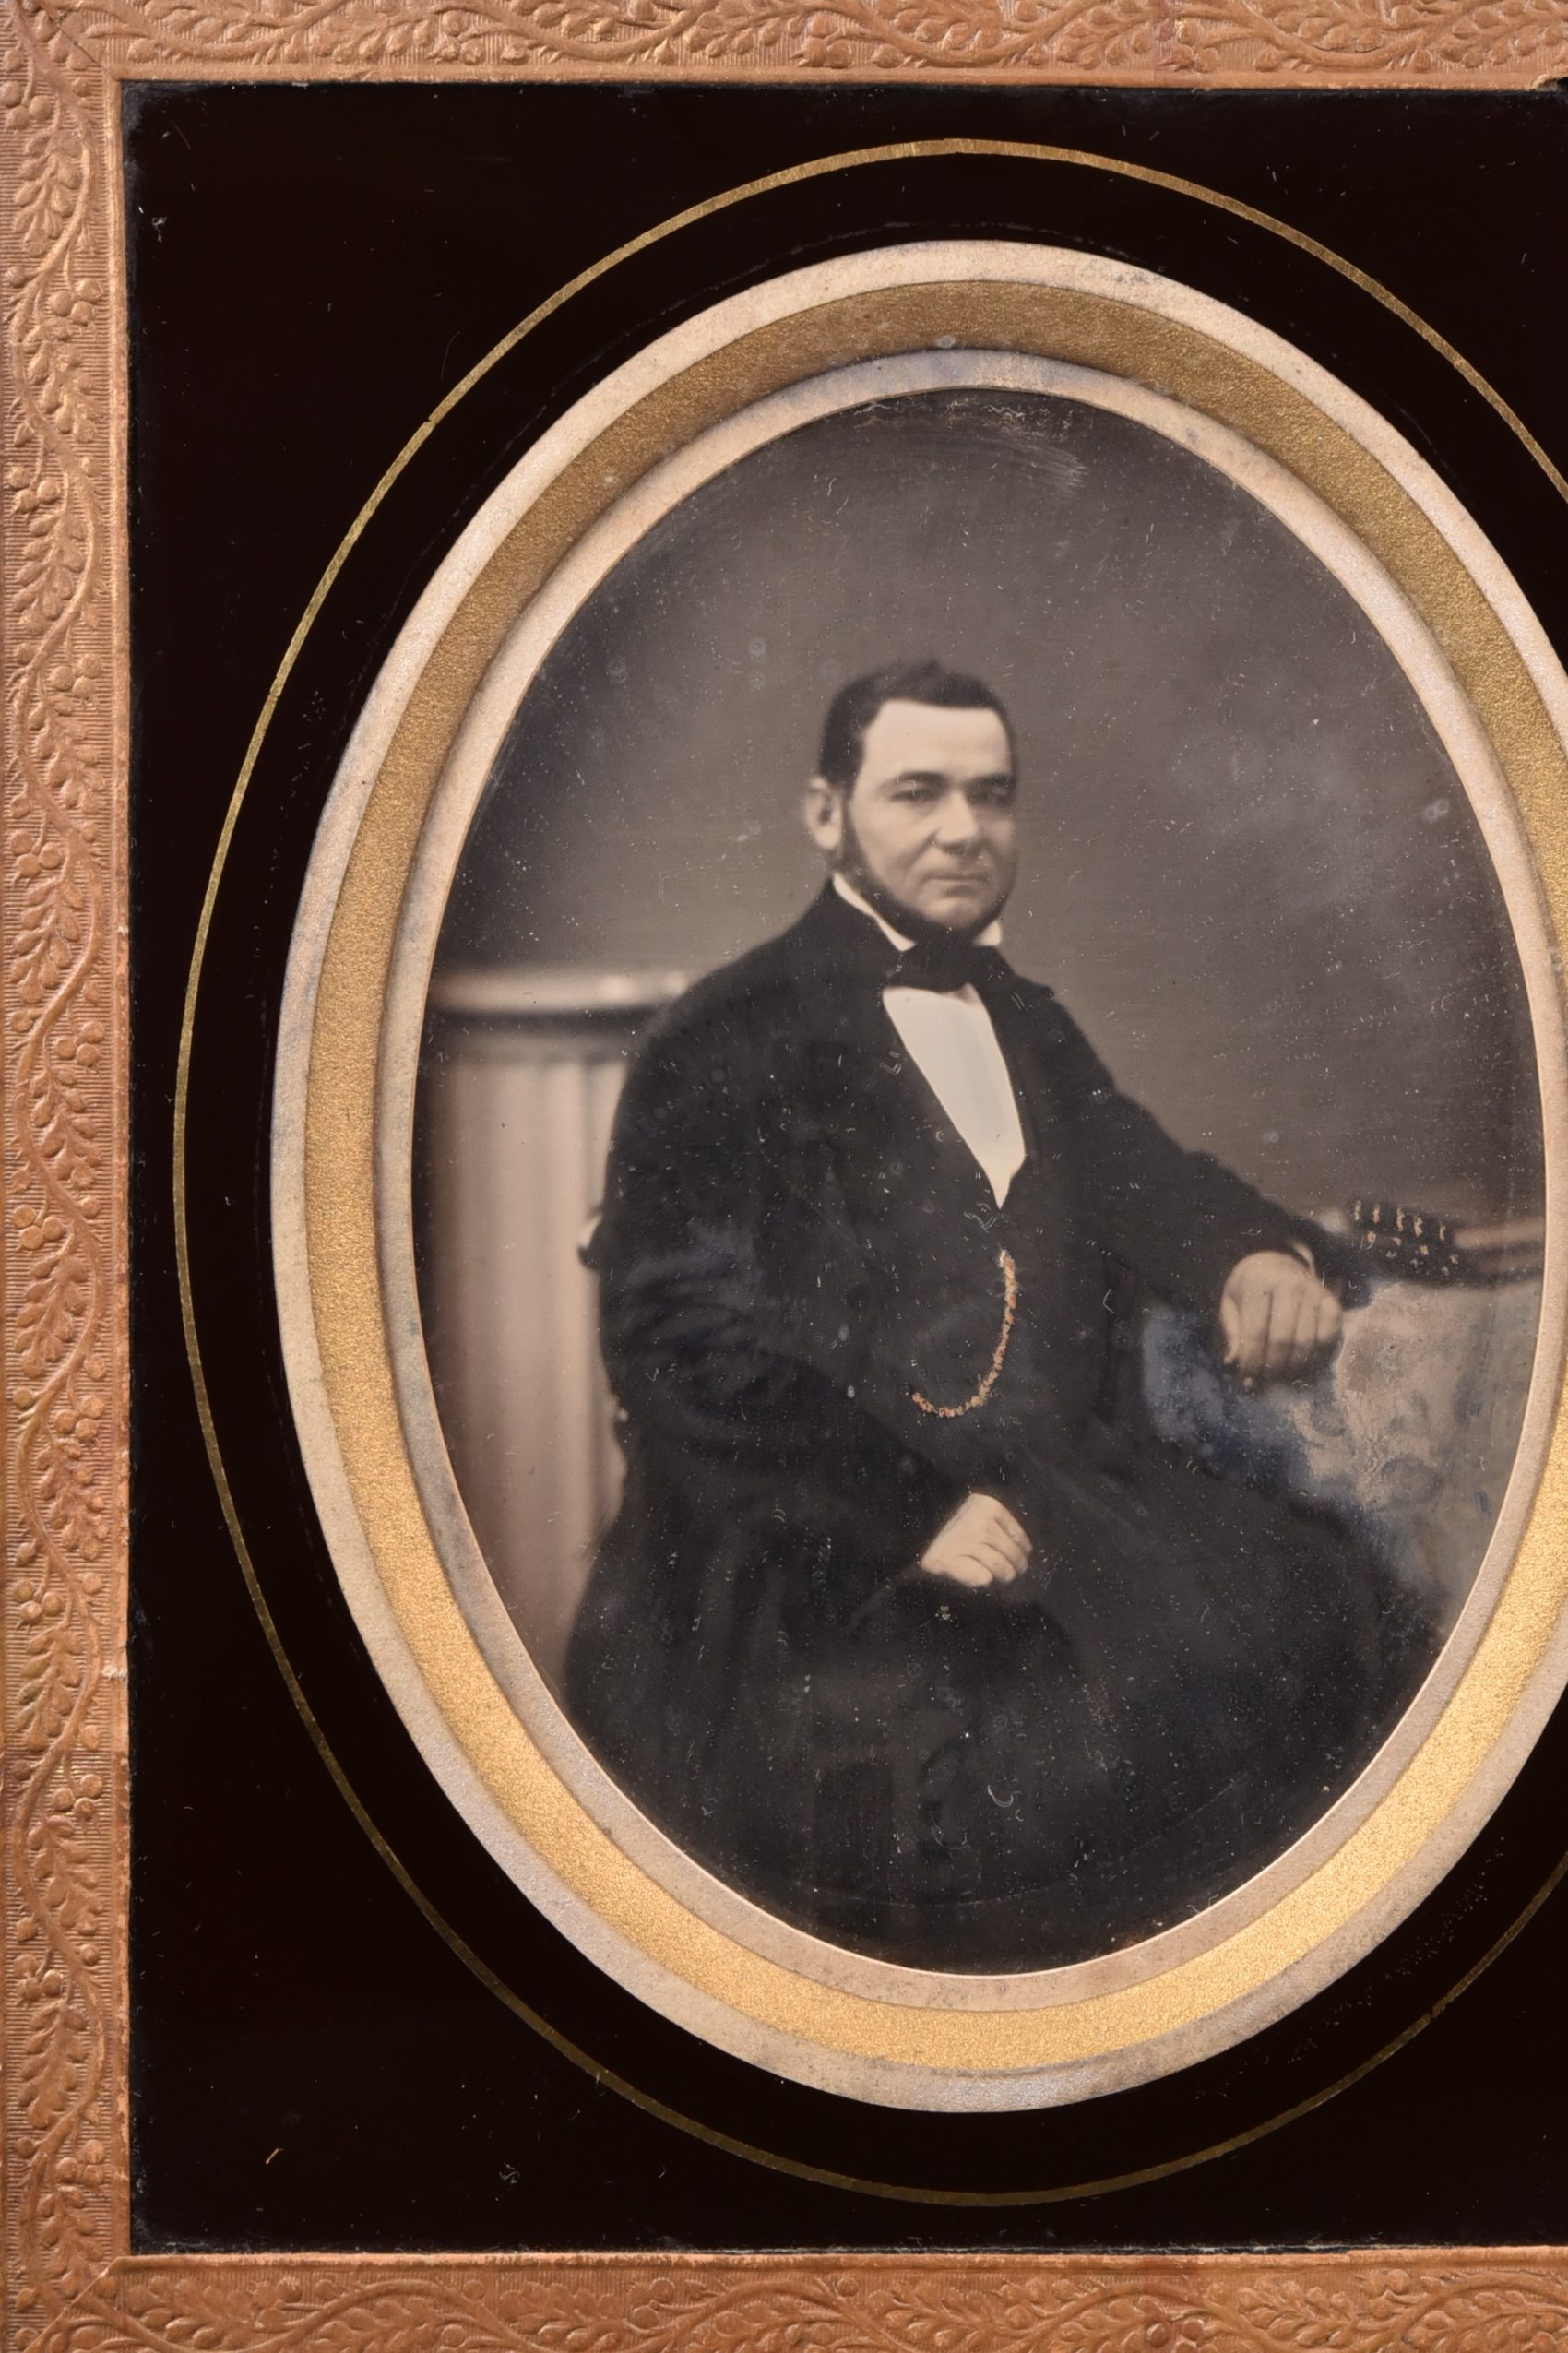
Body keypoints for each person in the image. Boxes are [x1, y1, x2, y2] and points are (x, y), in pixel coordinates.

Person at [565, 662, 1433, 1970]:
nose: (964, 830)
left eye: (993, 795)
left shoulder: (1026, 1022)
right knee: (1030, 1764)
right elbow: (677, 1346)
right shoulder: (725, 1037)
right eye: (918, 793)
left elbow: (1149, 1177)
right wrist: (907, 1511)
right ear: (827, 814)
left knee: (1327, 1612)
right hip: (810, 1546)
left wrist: (1248, 1253)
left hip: (1047, 1490)